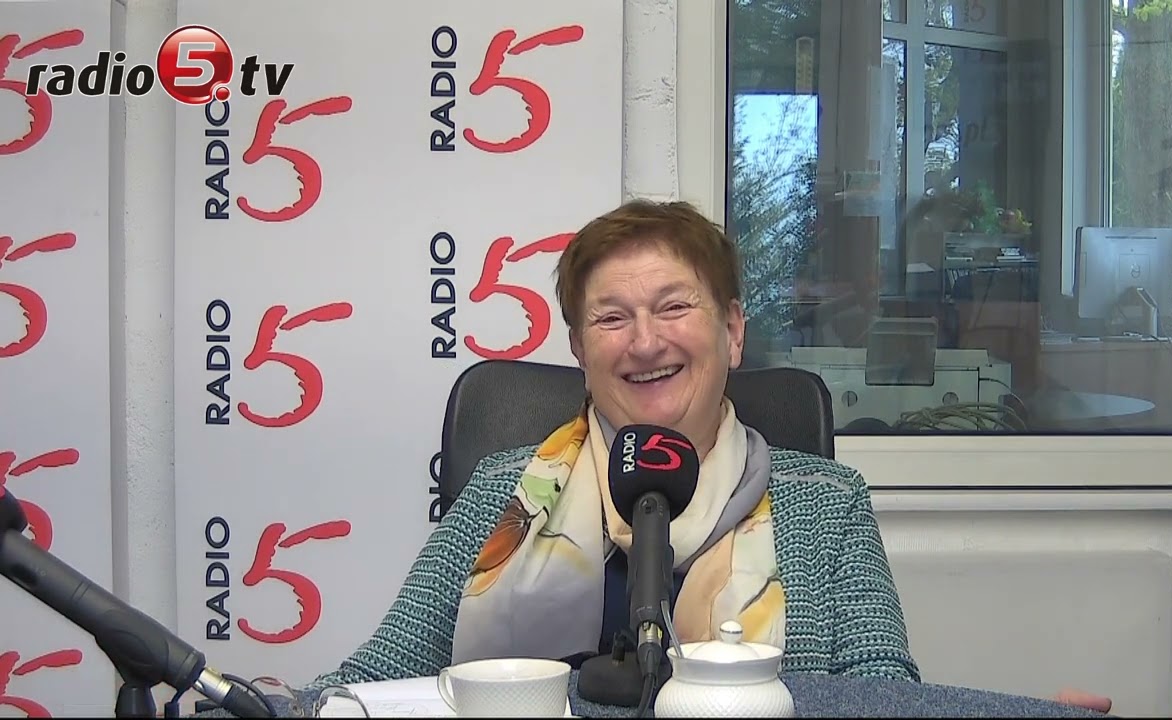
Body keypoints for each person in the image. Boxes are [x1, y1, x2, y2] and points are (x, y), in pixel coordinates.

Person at [303, 199, 1111, 713]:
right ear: (579, 350)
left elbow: (880, 696)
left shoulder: (825, 501)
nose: (645, 341)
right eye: (611, 318)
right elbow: (372, 681)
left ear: (731, 332)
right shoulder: (501, 490)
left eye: (673, 307)